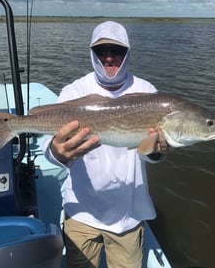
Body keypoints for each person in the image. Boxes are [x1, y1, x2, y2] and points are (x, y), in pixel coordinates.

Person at [43, 21, 167, 268]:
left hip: (128, 216)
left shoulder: (147, 92)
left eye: (116, 51)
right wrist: (58, 153)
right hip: (81, 212)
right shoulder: (73, 91)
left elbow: (150, 154)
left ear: (127, 53)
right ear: (92, 54)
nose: (109, 58)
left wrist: (157, 151)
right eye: (102, 51)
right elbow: (50, 148)